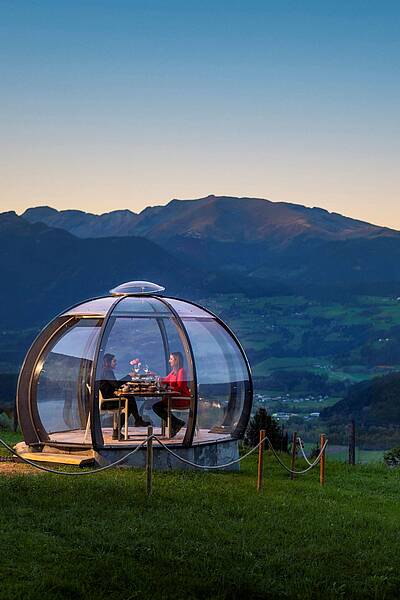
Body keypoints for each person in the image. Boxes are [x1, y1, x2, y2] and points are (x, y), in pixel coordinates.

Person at [99, 353, 150, 438]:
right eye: (114, 361)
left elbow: (112, 385)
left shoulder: (104, 371)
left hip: (107, 399)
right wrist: (128, 376)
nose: (116, 363)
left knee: (130, 399)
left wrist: (123, 385)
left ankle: (135, 422)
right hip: (108, 402)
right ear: (108, 362)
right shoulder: (107, 371)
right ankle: (121, 429)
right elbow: (115, 384)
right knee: (130, 402)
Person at [152, 351, 191, 438]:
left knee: (157, 407)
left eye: (171, 359)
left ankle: (176, 423)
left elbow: (180, 388)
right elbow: (165, 379)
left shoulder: (181, 371)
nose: (169, 361)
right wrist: (155, 376)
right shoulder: (174, 372)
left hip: (182, 399)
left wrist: (167, 387)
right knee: (157, 406)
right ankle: (175, 423)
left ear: (176, 360)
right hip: (174, 398)